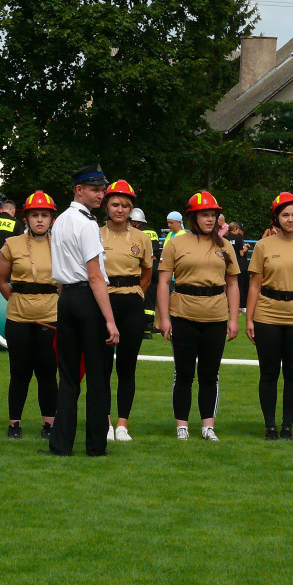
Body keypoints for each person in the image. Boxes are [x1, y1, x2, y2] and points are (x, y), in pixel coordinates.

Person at [41, 163, 120, 457]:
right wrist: (110, 321)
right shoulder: (87, 224)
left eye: (102, 189)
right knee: (97, 375)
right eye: (95, 189)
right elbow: (95, 275)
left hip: (66, 298)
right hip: (87, 298)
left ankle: (61, 444)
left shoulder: (60, 220)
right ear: (79, 190)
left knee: (69, 376)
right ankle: (96, 445)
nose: (101, 194)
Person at [157, 190, 239, 441]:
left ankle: (207, 426)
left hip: (215, 316)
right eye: (204, 215)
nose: (210, 219)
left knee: (210, 373)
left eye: (213, 215)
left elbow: (233, 283)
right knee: (182, 373)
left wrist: (234, 318)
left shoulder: (224, 245)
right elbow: (162, 283)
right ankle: (182, 425)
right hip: (183, 313)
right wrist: (163, 318)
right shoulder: (175, 243)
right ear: (193, 217)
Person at [246, 192, 293, 440]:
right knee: (268, 373)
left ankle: (288, 426)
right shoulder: (263, 245)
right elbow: (255, 284)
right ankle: (270, 426)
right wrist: (249, 319)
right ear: (276, 218)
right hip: (267, 314)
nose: (290, 219)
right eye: (285, 215)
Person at [0, 191, 59, 440]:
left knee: (47, 371)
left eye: (44, 215)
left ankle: (49, 424)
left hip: (50, 316)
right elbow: (0, 279)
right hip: (19, 318)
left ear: (52, 218)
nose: (39, 220)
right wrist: (16, 300)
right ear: (26, 218)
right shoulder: (12, 244)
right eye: (35, 215)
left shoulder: (60, 244)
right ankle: (14, 423)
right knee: (19, 372)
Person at [101, 180, 153, 442]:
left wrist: (136, 293)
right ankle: (105, 422)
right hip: (104, 302)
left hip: (131, 303)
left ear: (131, 209)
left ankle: (122, 424)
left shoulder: (142, 238)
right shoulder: (96, 234)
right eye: (115, 204)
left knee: (126, 366)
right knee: (102, 367)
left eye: (124, 205)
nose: (119, 210)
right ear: (107, 205)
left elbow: (147, 273)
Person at [130, 207, 161, 337]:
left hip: (144, 268)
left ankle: (139, 326)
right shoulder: (153, 232)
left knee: (140, 296)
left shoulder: (136, 233)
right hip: (155, 267)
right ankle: (148, 329)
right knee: (150, 299)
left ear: (135, 222)